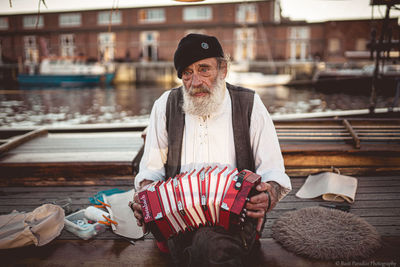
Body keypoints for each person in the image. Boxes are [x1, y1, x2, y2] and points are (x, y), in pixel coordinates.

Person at [131, 33, 291, 267]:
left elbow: (273, 171)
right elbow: (151, 171)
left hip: (238, 220)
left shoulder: (249, 104)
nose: (195, 82)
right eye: (187, 73)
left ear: (223, 69)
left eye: (204, 69)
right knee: (201, 246)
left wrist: (269, 194)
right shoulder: (165, 105)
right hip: (178, 219)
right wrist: (144, 198)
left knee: (208, 245)